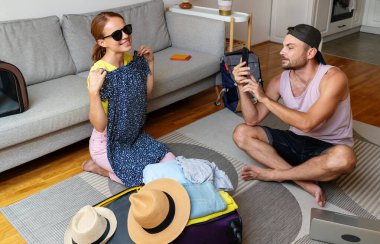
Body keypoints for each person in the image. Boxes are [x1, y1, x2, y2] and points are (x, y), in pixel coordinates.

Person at [232, 24, 357, 207]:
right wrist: (241, 87)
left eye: (290, 47)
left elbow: (308, 124)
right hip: (295, 141)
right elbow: (252, 119)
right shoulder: (279, 81)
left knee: (345, 158)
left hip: (328, 147)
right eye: (283, 46)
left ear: (310, 53)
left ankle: (278, 174)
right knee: (241, 133)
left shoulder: (333, 77)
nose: (282, 51)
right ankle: (302, 180)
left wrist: (264, 98)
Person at [82, 12, 176, 187]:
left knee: (171, 162)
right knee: (148, 179)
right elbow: (100, 126)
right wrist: (93, 93)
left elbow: (145, 95)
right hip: (108, 145)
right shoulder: (99, 73)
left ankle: (113, 169)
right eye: (117, 34)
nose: (125, 36)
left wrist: (150, 64)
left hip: (133, 137)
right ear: (102, 42)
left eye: (126, 29)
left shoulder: (130, 60)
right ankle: (101, 168)